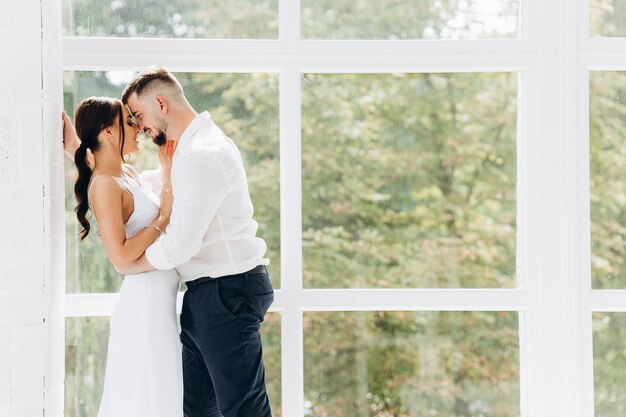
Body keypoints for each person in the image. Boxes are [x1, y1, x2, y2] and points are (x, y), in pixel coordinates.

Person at [118, 67, 274, 417]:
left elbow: (180, 245)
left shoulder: (202, 153)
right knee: (197, 410)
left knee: (244, 411)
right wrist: (83, 152)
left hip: (226, 292)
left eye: (139, 116)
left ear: (161, 102)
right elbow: (143, 189)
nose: (140, 127)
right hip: (211, 295)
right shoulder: (188, 152)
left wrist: (129, 262)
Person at [62, 97, 183, 417]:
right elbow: (119, 257)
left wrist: (74, 143)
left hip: (159, 302)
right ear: (109, 133)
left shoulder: (123, 172)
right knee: (144, 397)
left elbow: (91, 158)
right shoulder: (104, 185)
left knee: (158, 395)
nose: (139, 129)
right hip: (144, 305)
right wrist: (164, 218)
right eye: (130, 123)